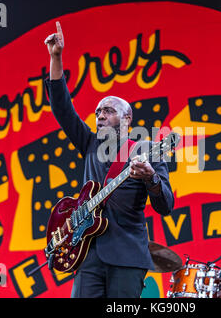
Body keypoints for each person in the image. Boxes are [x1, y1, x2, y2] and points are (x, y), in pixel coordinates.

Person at [43, 21, 175, 298]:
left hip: (127, 255)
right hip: (87, 255)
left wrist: (151, 178)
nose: (99, 115)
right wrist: (56, 58)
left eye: (108, 111)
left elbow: (165, 205)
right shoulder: (90, 142)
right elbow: (61, 107)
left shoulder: (148, 149)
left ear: (127, 119)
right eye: (97, 111)